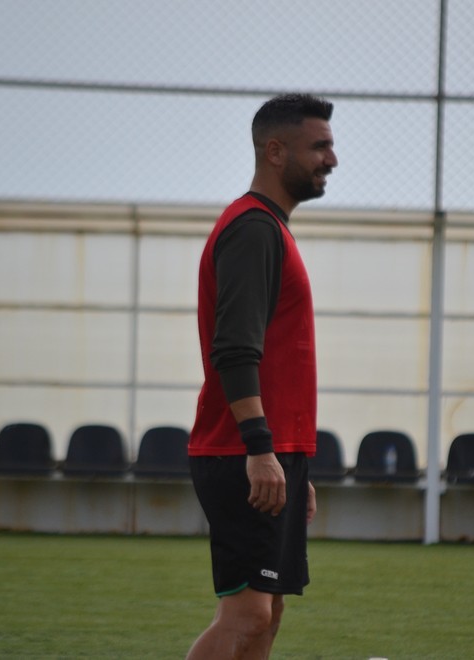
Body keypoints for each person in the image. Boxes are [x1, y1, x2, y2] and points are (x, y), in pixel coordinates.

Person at [185, 93, 337, 660]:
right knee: (247, 612)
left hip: (272, 451)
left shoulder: (271, 227)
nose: (331, 159)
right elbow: (234, 350)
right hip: (240, 450)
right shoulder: (253, 229)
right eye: (319, 147)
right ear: (275, 152)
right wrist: (260, 450)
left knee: (268, 612)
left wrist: (290, 458)